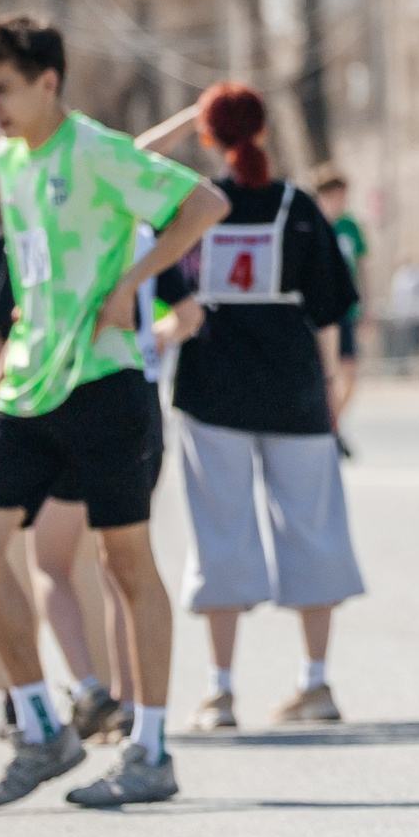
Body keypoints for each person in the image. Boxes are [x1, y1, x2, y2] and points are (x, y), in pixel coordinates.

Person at [0, 15, 229, 808]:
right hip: (30, 388)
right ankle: (45, 730)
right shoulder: (8, 158)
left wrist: (132, 281)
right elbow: (32, 270)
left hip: (106, 385)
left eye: (2, 89)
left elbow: (203, 203)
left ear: (48, 83)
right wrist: (5, 359)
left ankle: (150, 751)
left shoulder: (97, 150)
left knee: (124, 564)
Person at [140, 84, 366, 729]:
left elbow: (130, 163)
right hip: (295, 388)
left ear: (208, 137)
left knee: (220, 534)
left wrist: (189, 118)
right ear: (263, 132)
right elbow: (330, 309)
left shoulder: (192, 204)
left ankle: (220, 691)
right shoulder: (297, 205)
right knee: (312, 529)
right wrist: (331, 387)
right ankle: (316, 682)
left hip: (211, 387)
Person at [0, 219, 202, 742]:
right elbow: (189, 312)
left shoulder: (43, 234)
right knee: (115, 564)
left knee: (40, 562)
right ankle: (126, 708)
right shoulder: (135, 236)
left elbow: (25, 322)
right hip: (129, 399)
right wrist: (149, 336)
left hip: (54, 399)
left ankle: (77, 694)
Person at [309, 164, 366, 441]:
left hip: (345, 309)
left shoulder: (350, 226)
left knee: (350, 373)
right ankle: (325, 426)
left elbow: (361, 267)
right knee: (325, 373)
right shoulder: (312, 222)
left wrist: (366, 307)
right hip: (320, 309)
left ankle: (334, 422)